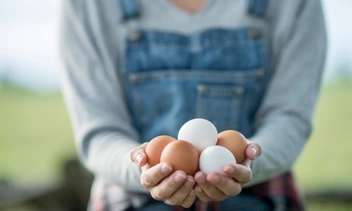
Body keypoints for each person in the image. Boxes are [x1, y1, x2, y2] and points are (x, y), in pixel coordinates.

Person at [59, 0, 326, 210]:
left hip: (259, 198)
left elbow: (288, 117)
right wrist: (145, 167)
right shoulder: (90, 5)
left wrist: (249, 160)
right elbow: (100, 132)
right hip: (131, 201)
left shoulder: (293, 3)